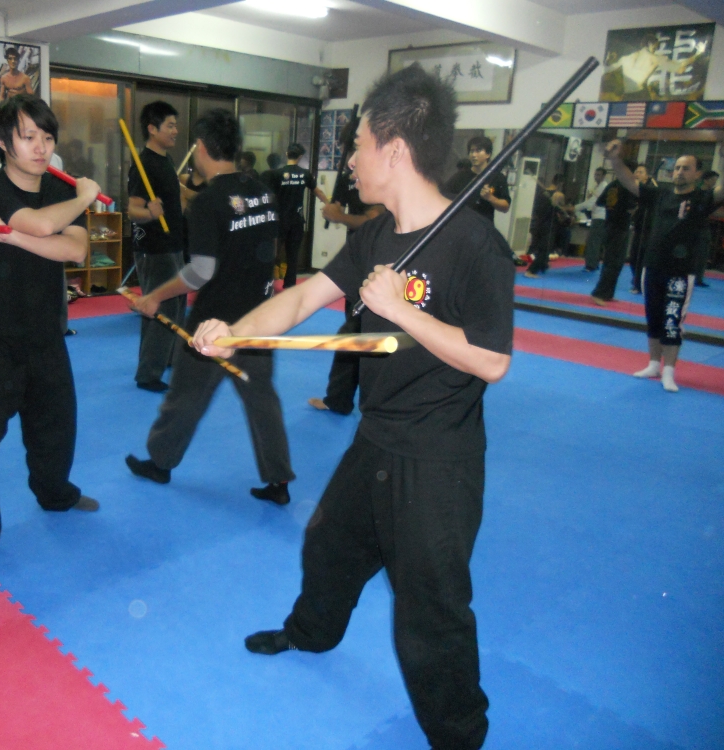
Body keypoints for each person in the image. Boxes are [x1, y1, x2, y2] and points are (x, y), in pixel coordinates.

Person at [193, 65, 514, 750]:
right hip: (377, 438)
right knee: (328, 544)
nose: (350, 160)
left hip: (439, 459)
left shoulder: (475, 244)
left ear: (393, 150)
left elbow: (492, 360)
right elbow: (305, 297)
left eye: (358, 144)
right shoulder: (376, 235)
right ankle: (311, 633)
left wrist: (401, 310)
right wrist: (236, 330)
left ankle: (460, 735)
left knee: (430, 611)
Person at [0, 94, 101, 579]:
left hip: (46, 332)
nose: (40, 147)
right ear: (2, 142)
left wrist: (11, 236)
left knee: (57, 425)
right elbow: (43, 225)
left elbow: (76, 250)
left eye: (47, 137)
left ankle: (55, 493)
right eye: (29, 136)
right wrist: (85, 196)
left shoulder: (58, 189)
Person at [125, 108, 295, 506]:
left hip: (213, 324)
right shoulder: (262, 192)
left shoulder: (208, 202)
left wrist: (154, 296)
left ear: (200, 148)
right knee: (261, 398)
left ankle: (161, 462)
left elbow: (201, 271)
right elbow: (269, 248)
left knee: (185, 395)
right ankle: (279, 480)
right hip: (259, 316)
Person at [605, 139, 724, 392]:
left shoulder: (702, 198)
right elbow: (629, 182)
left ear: (697, 174)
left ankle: (669, 371)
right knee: (653, 317)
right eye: (677, 168)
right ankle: (653, 364)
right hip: (653, 266)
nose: (679, 172)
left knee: (672, 321)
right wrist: (615, 160)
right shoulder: (659, 194)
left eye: (686, 168)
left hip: (680, 271)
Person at [309, 119, 385, 416]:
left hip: (380, 266)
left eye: (356, 147)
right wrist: (334, 209)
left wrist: (339, 218)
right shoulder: (349, 176)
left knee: (355, 335)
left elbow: (373, 220)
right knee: (352, 333)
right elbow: (340, 207)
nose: (351, 159)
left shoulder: (381, 180)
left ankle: (350, 401)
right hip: (358, 261)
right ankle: (339, 399)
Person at [127, 101, 186, 393]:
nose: (175, 131)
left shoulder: (166, 160)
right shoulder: (144, 165)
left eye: (175, 125)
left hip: (173, 242)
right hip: (153, 247)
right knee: (161, 306)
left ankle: (169, 358)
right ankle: (148, 374)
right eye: (170, 125)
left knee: (177, 302)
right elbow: (132, 210)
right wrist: (150, 213)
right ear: (152, 129)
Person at [265, 142, 329, 287]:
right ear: (300, 157)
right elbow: (317, 191)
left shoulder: (277, 174)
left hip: (279, 220)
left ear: (287, 154)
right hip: (297, 220)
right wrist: (328, 203)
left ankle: (267, 284)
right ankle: (290, 286)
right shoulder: (305, 174)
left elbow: (269, 196)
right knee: (293, 256)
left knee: (273, 254)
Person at [602, 34, 707, 100]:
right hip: (639, 96)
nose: (655, 50)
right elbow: (680, 67)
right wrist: (698, 53)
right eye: (655, 47)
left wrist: (607, 61)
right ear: (650, 44)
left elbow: (607, 69)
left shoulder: (626, 58)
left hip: (626, 96)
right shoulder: (655, 58)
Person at [590, 169, 638, 305]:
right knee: (613, 263)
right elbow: (631, 206)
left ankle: (607, 293)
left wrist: (612, 207)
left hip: (610, 226)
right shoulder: (626, 187)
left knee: (614, 262)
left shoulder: (612, 185)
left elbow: (600, 202)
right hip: (619, 228)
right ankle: (599, 293)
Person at [442, 135, 511, 224]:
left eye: (478, 151)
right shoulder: (460, 176)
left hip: (484, 226)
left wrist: (490, 198)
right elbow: (444, 195)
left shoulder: (498, 177)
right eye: (472, 151)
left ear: (488, 154)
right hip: (462, 224)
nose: (474, 155)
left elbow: (505, 207)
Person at [523, 175, 562, 278]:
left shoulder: (541, 194)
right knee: (545, 249)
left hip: (539, 223)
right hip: (549, 225)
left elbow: (536, 209)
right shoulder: (557, 195)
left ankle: (543, 265)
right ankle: (531, 271)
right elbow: (560, 211)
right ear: (561, 184)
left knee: (542, 248)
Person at [628, 164, 656, 294]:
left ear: (646, 176)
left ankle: (639, 283)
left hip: (649, 229)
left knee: (641, 257)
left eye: (641, 172)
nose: (637, 174)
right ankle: (637, 279)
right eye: (636, 171)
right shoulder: (633, 190)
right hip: (638, 227)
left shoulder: (651, 189)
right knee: (633, 257)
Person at [574, 167, 608, 271]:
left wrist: (575, 208)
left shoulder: (603, 187)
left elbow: (591, 203)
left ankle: (591, 265)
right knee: (594, 241)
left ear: (603, 176)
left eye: (598, 175)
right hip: (597, 217)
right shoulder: (597, 187)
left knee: (593, 241)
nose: (596, 177)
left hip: (600, 217)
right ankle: (594, 263)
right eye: (595, 174)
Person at [693, 170, 719, 287]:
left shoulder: (711, 193)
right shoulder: (696, 192)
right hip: (694, 226)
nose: (715, 183)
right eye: (713, 180)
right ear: (706, 180)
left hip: (703, 226)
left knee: (702, 253)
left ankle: (698, 277)